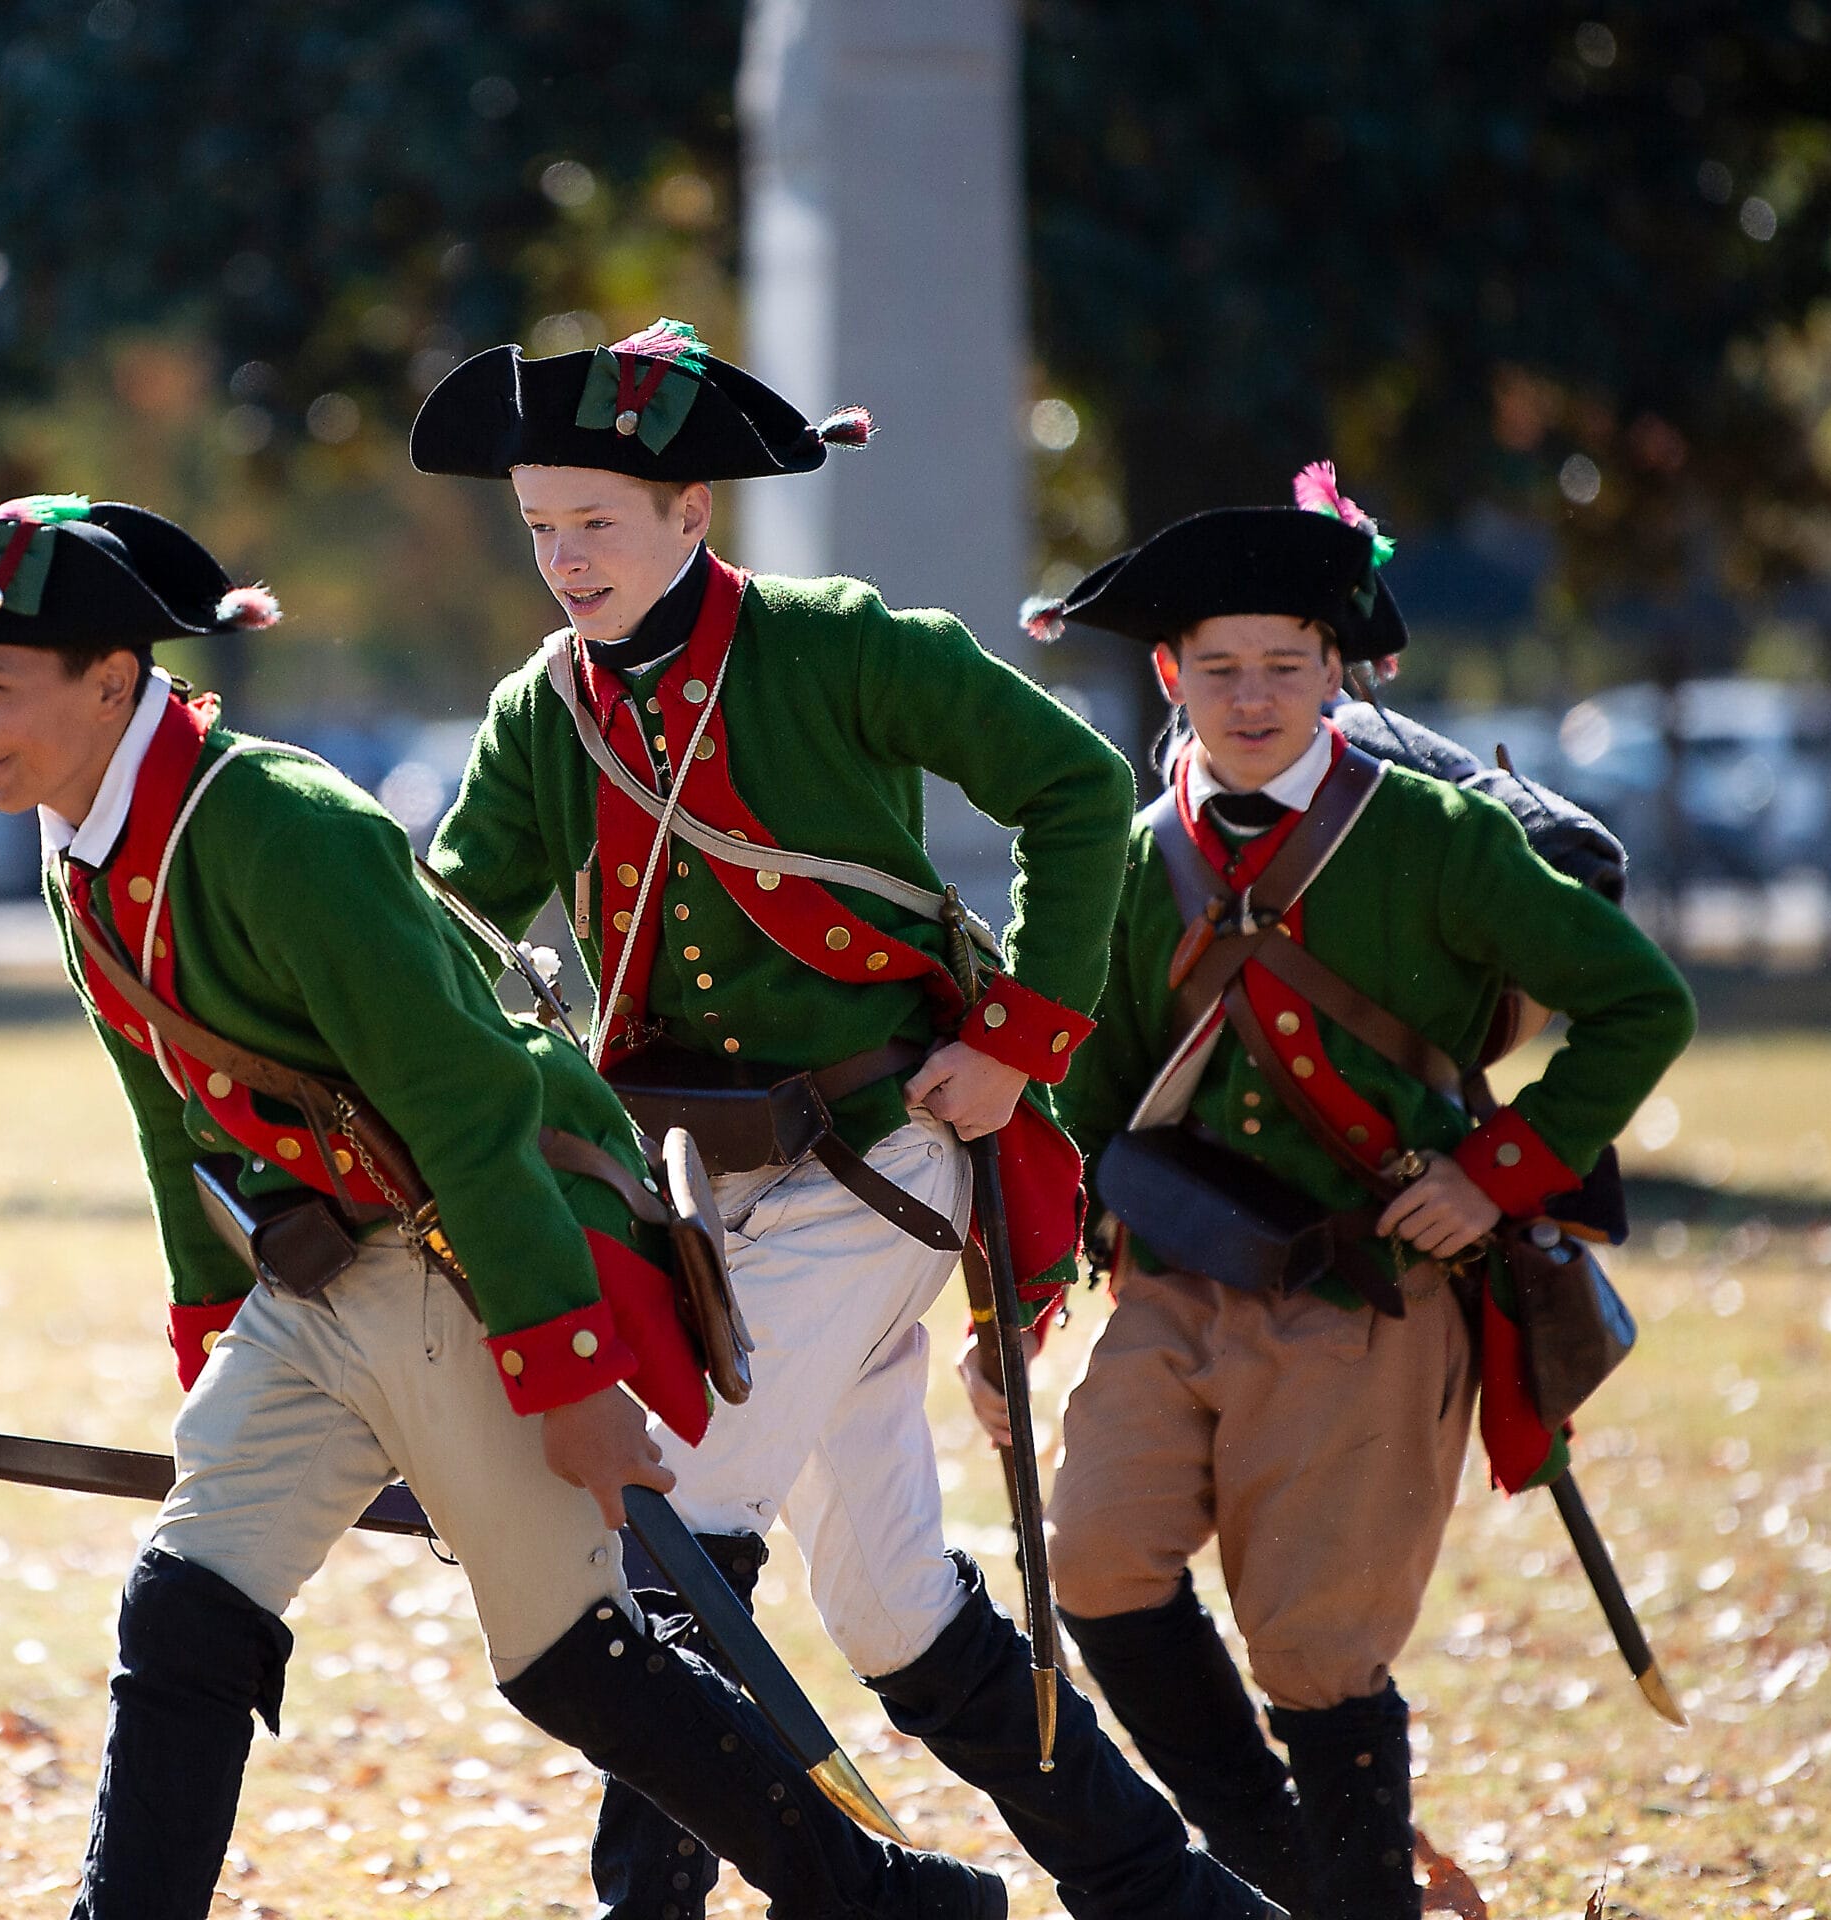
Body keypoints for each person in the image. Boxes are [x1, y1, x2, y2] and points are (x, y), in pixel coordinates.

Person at [0, 493, 1007, 1920]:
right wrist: (210, 1320)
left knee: (575, 1664)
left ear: (110, 680)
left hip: (457, 1265)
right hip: (310, 1289)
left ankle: (884, 1901)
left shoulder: (282, 825)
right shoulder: (76, 840)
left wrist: (569, 1373)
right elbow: (168, 1109)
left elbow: (475, 1108)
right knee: (185, 1607)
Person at [414, 320, 1281, 1920]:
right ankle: (1184, 1906)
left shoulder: (838, 645)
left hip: (876, 1168)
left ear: (695, 516)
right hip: (685, 1197)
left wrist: (1023, 1037)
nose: (562, 560)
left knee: (671, 1541)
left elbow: (1079, 790)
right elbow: (450, 932)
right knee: (896, 1613)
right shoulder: (544, 710)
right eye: (538, 525)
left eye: (595, 521)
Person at [1002, 465, 1697, 1918]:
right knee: (1095, 1569)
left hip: (1365, 1296)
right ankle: (1289, 1876)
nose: (1251, 699)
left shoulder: (1440, 843)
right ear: (1168, 673)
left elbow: (1639, 1005)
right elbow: (1093, 1084)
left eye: (1285, 667)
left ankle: (1347, 1893)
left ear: (1340, 670)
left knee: (1318, 1658)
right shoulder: (1144, 859)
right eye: (1220, 669)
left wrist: (1494, 1175)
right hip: (1173, 1283)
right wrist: (1030, 1293)